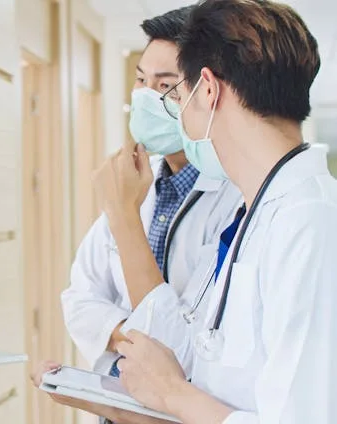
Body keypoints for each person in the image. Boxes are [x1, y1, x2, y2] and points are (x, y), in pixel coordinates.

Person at [68, 0, 336, 422]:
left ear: (207, 89)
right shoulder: (256, 214)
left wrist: (174, 395)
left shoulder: (311, 222)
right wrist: (134, 404)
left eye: (176, 90)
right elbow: (193, 352)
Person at [31, 6, 240, 423]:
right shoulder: (137, 183)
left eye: (164, 85)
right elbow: (79, 298)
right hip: (117, 404)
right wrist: (137, 337)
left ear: (208, 92)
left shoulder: (235, 197)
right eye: (141, 81)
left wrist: (123, 213)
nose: (145, 97)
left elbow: (190, 348)